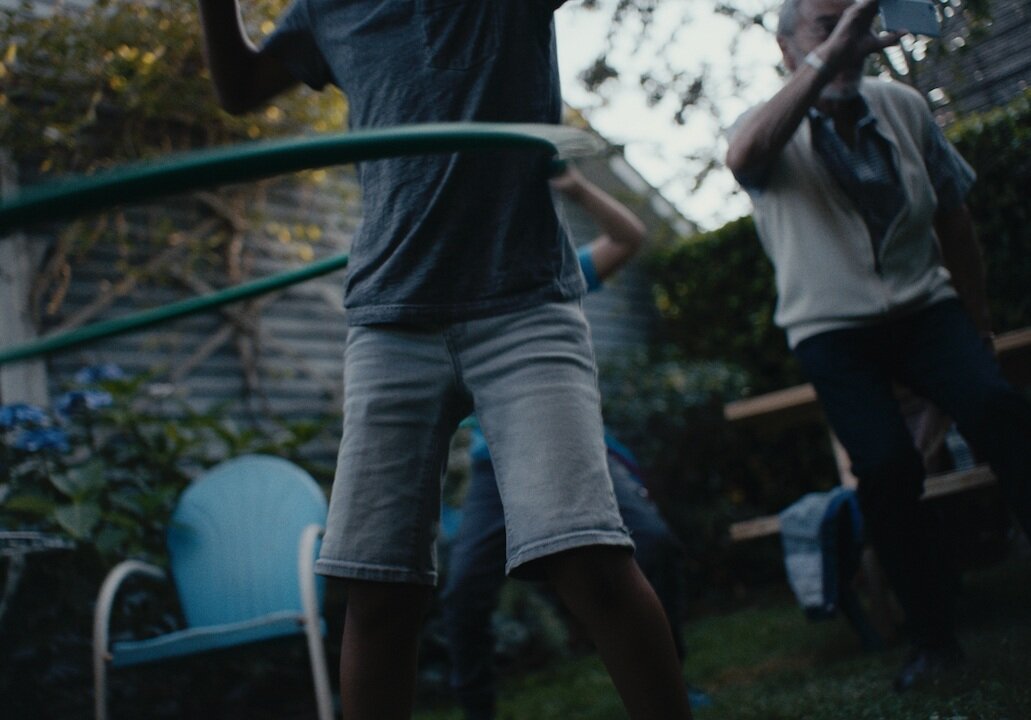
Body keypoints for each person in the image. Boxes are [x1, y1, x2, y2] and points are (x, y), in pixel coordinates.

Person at [196, 2, 693, 718]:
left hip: (520, 304)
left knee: (589, 561)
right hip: (391, 318)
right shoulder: (325, 10)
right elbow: (239, 90)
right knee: (376, 591)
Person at [725, 0, 1031, 692]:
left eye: (849, 21)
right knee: (886, 471)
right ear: (784, 49)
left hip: (925, 308)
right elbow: (743, 159)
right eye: (821, 23)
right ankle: (931, 638)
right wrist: (828, 57)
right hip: (832, 332)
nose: (840, 36)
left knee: (998, 412)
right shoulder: (765, 125)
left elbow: (952, 213)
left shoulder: (900, 104)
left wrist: (976, 319)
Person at [441, 167, 712, 720]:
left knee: (653, 544)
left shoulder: (547, 278)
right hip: (494, 465)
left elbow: (630, 238)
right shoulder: (445, 296)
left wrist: (573, 184)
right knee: (463, 591)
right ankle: (478, 713)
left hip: (575, 444)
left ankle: (671, 687)